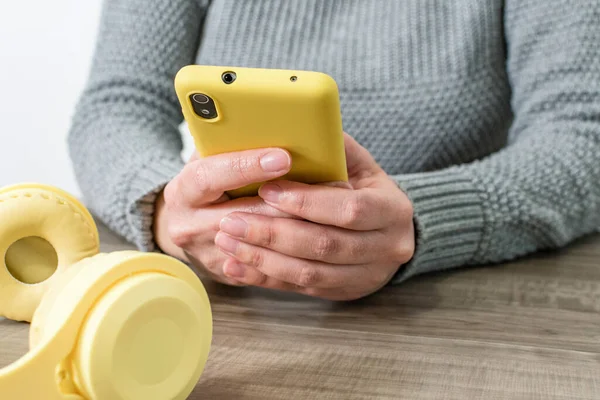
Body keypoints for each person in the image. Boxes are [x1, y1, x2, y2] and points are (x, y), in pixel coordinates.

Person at [67, 0, 600, 301]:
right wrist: (163, 205)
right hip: (225, 300)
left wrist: (419, 221)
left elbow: (581, 136)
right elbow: (116, 106)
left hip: (461, 302)